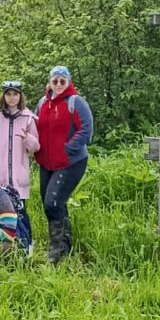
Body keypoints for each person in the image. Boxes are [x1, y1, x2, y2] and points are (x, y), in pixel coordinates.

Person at [34, 66, 93, 264]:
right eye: (55, 80)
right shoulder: (43, 103)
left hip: (71, 162)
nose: (58, 84)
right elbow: (34, 127)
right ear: (49, 82)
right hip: (47, 163)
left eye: (62, 81)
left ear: (68, 82)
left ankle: (55, 249)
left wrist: (68, 148)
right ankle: (66, 244)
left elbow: (86, 130)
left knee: (53, 203)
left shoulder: (76, 102)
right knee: (51, 203)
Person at [0, 80, 39, 239]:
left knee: (20, 212)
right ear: (4, 96)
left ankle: (26, 244)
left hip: (18, 176)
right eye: (8, 94)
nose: (12, 98)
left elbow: (35, 147)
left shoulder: (28, 118)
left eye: (15, 94)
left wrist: (27, 138)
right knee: (1, 213)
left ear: (20, 96)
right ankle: (5, 245)